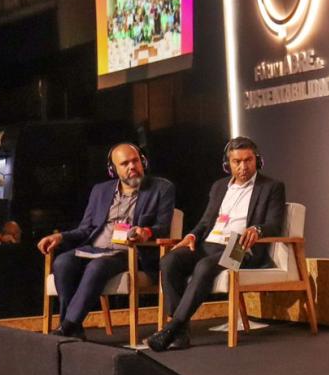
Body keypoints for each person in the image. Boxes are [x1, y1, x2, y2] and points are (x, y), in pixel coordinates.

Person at [147, 137, 284, 351]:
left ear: (258, 160)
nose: (243, 166)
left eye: (248, 160)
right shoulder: (219, 186)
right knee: (169, 261)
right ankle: (180, 334)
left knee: (204, 266)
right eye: (237, 161)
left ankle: (172, 327)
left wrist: (257, 229)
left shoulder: (271, 187)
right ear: (227, 164)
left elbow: (274, 224)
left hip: (242, 247)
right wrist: (192, 236)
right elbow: (205, 222)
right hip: (210, 244)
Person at [39, 144, 176, 339]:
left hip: (130, 253)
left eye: (135, 161)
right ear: (113, 169)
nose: (132, 166)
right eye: (125, 163)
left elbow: (163, 227)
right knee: (62, 262)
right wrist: (60, 236)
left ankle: (67, 325)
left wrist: (145, 232)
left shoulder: (161, 188)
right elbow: (85, 229)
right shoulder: (100, 190)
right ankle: (72, 327)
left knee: (98, 266)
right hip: (94, 249)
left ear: (143, 162)